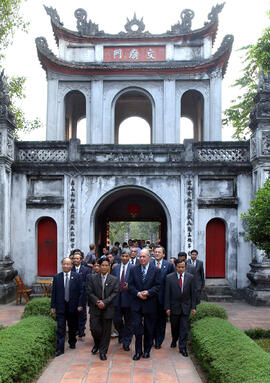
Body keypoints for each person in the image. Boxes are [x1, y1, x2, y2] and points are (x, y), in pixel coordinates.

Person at [128, 248, 161, 360]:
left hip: (150, 303)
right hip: (136, 303)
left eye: (143, 256)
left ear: (149, 257)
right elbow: (130, 286)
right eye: (140, 257)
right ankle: (138, 351)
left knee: (149, 328)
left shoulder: (156, 270)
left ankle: (147, 350)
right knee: (137, 328)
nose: (141, 259)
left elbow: (158, 286)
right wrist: (137, 294)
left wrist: (149, 292)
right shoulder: (133, 269)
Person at [51, 257, 84, 356]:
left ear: (71, 265)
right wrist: (52, 306)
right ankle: (60, 348)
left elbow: (81, 292)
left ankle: (72, 341)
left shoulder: (77, 276)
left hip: (73, 307)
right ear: (62, 265)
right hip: (61, 306)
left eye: (68, 264)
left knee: (72, 326)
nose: (66, 266)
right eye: (64, 264)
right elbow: (54, 293)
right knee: (60, 328)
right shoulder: (57, 277)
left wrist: (80, 305)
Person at [87, 257, 118, 361]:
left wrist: (105, 302)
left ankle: (103, 351)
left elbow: (115, 293)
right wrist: (97, 302)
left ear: (109, 267)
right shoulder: (92, 278)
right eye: (102, 265)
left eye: (106, 265)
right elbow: (90, 292)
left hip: (108, 308)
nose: (104, 267)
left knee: (106, 330)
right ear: (99, 267)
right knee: (94, 328)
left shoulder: (114, 279)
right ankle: (97, 344)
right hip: (95, 308)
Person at [164, 259, 196, 357]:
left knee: (184, 328)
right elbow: (167, 294)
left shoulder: (190, 277)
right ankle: (174, 339)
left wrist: (193, 307)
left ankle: (182, 347)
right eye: (179, 267)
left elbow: (193, 294)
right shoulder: (169, 278)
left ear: (185, 267)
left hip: (185, 307)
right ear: (175, 267)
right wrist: (167, 308)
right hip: (174, 307)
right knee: (175, 327)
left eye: (183, 267)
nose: (181, 269)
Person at [111, 248, 134, 351]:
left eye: (127, 256)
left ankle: (126, 342)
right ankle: (122, 333)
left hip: (128, 299)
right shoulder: (115, 268)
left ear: (129, 257)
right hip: (116, 299)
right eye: (123, 256)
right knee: (117, 320)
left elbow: (136, 283)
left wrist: (131, 287)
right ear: (120, 257)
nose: (124, 258)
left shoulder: (134, 268)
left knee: (129, 321)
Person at [152, 246, 174, 349]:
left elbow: (171, 282)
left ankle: (158, 341)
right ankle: (150, 339)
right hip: (151, 297)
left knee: (161, 321)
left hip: (163, 298)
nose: (157, 254)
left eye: (159, 252)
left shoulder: (169, 265)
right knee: (150, 320)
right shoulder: (149, 263)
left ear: (163, 254)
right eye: (155, 252)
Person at [72, 251, 90, 338]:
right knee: (74, 313)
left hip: (82, 294)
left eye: (77, 258)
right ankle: (76, 329)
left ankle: (81, 330)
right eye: (74, 258)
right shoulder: (70, 269)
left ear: (81, 260)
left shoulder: (86, 270)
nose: (76, 260)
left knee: (82, 313)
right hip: (72, 295)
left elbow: (87, 283)